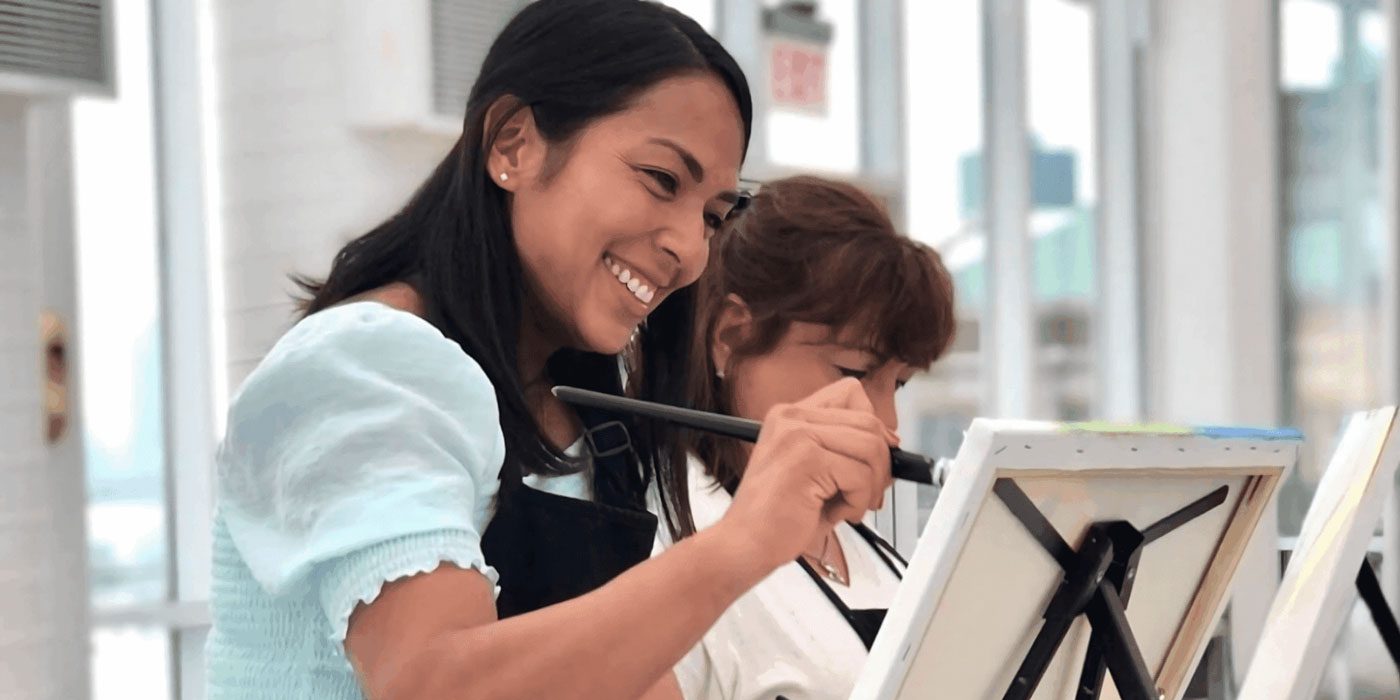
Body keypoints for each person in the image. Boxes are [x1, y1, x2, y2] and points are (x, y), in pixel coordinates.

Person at [205, 2, 894, 699]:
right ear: (512, 145)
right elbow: (429, 683)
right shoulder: (362, 367)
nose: (689, 250)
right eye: (660, 179)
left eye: (712, 217)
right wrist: (742, 543)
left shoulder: (588, 415)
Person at [655, 176, 957, 700]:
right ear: (731, 337)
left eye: (899, 384)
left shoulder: (871, 550)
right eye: (854, 372)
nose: (888, 425)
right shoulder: (659, 537)